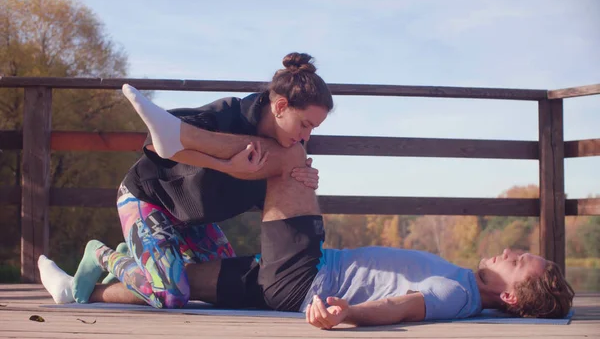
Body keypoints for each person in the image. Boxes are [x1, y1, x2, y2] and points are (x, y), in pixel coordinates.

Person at [40, 86, 575, 328]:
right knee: (177, 286)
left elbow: (404, 308)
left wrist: (349, 315)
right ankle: (95, 272)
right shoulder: (461, 282)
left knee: (292, 157)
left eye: (523, 259)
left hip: (306, 275)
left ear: (508, 291)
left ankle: (177, 136)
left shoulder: (456, 292)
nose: (513, 248)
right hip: (292, 281)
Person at [37, 52, 334, 309]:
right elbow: (154, 144)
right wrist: (225, 164)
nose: (306, 137)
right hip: (148, 200)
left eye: (313, 130)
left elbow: (277, 210)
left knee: (225, 286)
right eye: (305, 124)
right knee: (172, 294)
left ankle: (144, 259)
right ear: (280, 106)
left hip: (194, 220)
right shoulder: (231, 113)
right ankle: (102, 255)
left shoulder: (287, 150)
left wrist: (299, 182)